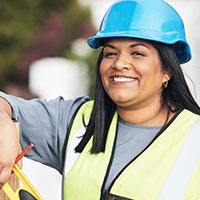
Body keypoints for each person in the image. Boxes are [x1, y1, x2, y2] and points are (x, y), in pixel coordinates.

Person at [0, 0, 200, 199]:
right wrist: (4, 123)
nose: (119, 63)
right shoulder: (76, 122)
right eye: (110, 53)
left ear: (167, 70)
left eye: (137, 53)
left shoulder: (195, 138)